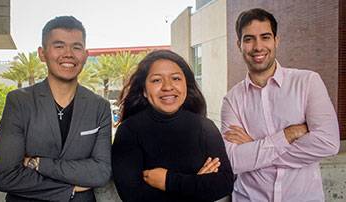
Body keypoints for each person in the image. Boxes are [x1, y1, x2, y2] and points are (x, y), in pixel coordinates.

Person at [221, 8, 340, 202]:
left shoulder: (308, 82)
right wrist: (287, 135)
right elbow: (233, 161)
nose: (258, 46)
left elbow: (328, 144)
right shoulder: (231, 100)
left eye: (265, 37)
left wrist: (253, 147)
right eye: (249, 39)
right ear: (239, 45)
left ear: (276, 40)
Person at [0, 16, 112, 202]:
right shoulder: (19, 102)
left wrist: (38, 163)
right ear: (42, 53)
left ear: (86, 55)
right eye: (59, 46)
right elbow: (5, 176)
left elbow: (101, 172)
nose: (68, 54)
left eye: (76, 47)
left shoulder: (100, 106)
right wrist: (70, 188)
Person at [112, 50, 234, 202]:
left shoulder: (205, 127)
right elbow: (133, 196)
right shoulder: (129, 131)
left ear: (186, 86)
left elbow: (225, 184)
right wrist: (196, 186)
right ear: (144, 90)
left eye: (176, 78)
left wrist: (167, 181)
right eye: (157, 80)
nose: (168, 87)